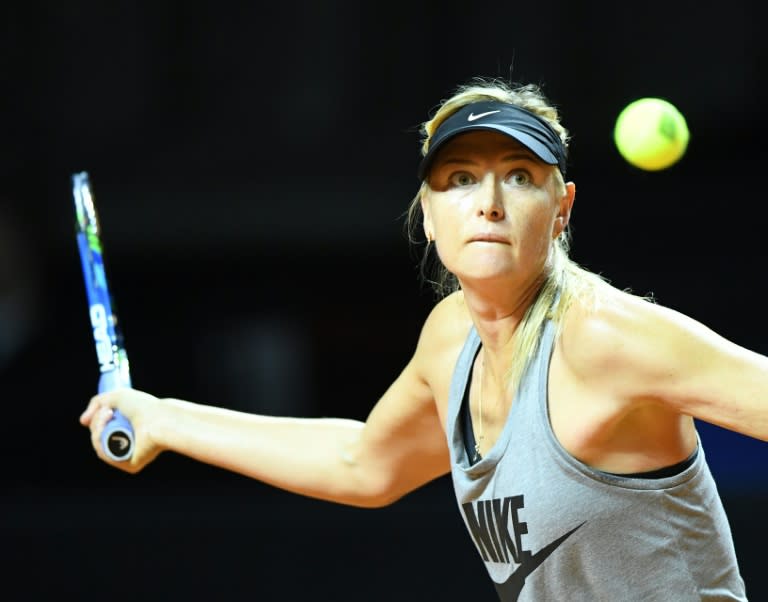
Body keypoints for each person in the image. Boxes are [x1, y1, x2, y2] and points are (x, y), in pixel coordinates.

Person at [80, 77, 761, 600]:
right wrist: (166, 419)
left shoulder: (608, 339)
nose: (489, 200)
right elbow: (362, 464)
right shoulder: (450, 341)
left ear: (562, 210)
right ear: (429, 217)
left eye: (519, 177)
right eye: (460, 179)